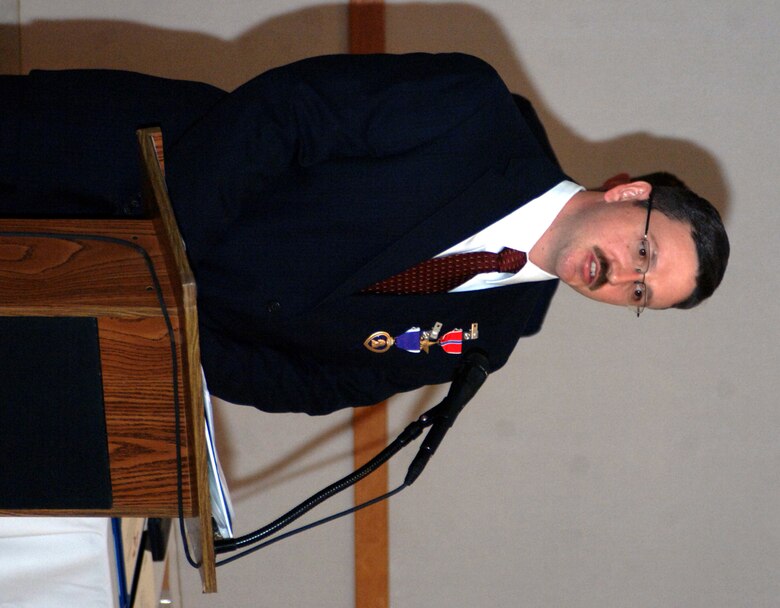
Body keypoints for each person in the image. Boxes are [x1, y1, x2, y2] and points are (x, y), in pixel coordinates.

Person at [0, 53, 729, 414]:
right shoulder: (474, 116)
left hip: (100, 316)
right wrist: (168, 258)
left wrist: (166, 332)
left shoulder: (484, 341)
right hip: (116, 161)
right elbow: (288, 114)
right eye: (644, 253)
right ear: (629, 194)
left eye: (641, 293)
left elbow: (314, 384)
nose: (623, 278)